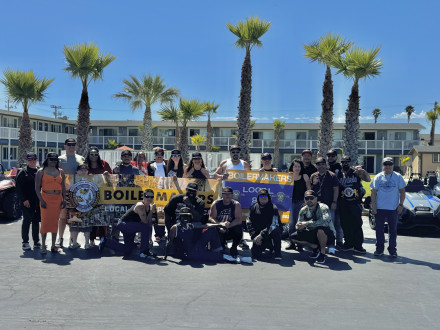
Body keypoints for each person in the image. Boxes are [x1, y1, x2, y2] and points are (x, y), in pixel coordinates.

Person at [166, 207, 251, 263]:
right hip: (189, 253)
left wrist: (220, 224)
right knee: (217, 258)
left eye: (187, 216)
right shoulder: (175, 228)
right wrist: (167, 256)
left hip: (196, 248)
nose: (185, 218)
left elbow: (206, 225)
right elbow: (170, 242)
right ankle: (235, 258)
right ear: (180, 217)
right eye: (183, 216)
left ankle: (217, 250)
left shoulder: (191, 225)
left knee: (212, 229)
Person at [99, 189, 157, 258]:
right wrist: (151, 211)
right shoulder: (140, 205)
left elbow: (149, 223)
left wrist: (151, 210)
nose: (149, 199)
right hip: (124, 224)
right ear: (143, 197)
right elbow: (145, 222)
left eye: (151, 197)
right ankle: (144, 252)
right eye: (147, 196)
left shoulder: (149, 207)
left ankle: (105, 242)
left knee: (128, 249)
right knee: (145, 227)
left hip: (131, 226)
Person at [370, 157, 406, 258]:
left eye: (390, 164)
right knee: (379, 230)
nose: (388, 166)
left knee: (393, 231)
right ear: (383, 165)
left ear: (393, 165)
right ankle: (379, 249)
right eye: (386, 164)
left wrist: (401, 205)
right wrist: (373, 205)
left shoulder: (398, 177)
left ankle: (392, 250)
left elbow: (402, 191)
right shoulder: (378, 177)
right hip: (380, 208)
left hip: (393, 209)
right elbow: (373, 192)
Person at [290, 190, 336, 264]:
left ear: (316, 198)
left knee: (320, 230)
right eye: (307, 198)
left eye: (311, 198)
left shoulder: (323, 207)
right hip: (312, 232)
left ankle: (322, 253)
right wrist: (298, 227)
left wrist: (306, 224)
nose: (309, 200)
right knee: (293, 237)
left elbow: (324, 222)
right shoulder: (303, 210)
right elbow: (298, 223)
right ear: (304, 199)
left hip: (328, 234)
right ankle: (315, 247)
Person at [336, 155, 371, 254]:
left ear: (350, 163)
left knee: (357, 224)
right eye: (343, 162)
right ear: (341, 163)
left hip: (355, 203)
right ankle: (348, 244)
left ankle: (358, 246)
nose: (345, 164)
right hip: (343, 203)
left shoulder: (355, 172)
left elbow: (368, 179)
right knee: (345, 225)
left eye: (347, 162)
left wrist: (363, 172)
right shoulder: (338, 174)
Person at [35, 153, 67, 254]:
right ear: (47, 160)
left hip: (57, 199)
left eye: (55, 159)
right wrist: (41, 200)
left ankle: (53, 245)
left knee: (54, 222)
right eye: (51, 159)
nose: (53, 161)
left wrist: (64, 199)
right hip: (45, 199)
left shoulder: (61, 172)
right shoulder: (41, 171)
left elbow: (63, 187)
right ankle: (43, 246)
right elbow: (37, 188)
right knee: (44, 223)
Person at [309, 157, 340, 253]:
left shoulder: (332, 175)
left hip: (329, 205)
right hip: (316, 206)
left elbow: (336, 189)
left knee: (330, 226)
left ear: (326, 165)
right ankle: (318, 245)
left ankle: (331, 245)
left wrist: (334, 202)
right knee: (316, 225)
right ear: (316, 165)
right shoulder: (313, 176)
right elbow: (310, 191)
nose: (321, 166)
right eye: (318, 164)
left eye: (322, 164)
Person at [57, 138, 84, 247]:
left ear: (76, 146)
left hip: (77, 193)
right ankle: (60, 238)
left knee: (74, 217)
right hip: (64, 192)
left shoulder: (81, 158)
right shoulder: (59, 159)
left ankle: (73, 240)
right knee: (62, 216)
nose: (71, 146)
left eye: (73, 144)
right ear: (65, 146)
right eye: (69, 144)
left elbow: (85, 173)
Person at [85, 147, 112, 245]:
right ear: (88, 155)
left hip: (103, 195)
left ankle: (102, 239)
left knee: (103, 219)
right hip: (90, 196)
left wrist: (107, 176)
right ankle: (91, 240)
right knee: (92, 218)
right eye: (91, 154)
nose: (94, 156)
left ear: (98, 155)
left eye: (95, 154)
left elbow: (111, 178)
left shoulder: (104, 164)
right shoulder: (85, 165)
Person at [247, 188, 283, 260]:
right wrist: (254, 236)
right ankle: (263, 246)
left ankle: (277, 252)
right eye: (261, 196)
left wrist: (262, 235)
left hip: (270, 233)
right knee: (255, 254)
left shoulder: (274, 208)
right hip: (258, 235)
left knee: (276, 230)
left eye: (265, 196)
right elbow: (249, 222)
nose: (263, 197)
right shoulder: (253, 207)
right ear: (258, 198)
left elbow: (274, 224)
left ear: (268, 198)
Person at [208, 187, 243, 258]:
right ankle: (220, 246)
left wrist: (228, 226)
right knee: (211, 228)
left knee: (239, 228)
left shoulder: (236, 204)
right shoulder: (216, 203)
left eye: (229, 194)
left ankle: (234, 248)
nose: (227, 196)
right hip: (219, 227)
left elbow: (239, 219)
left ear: (232, 195)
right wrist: (220, 225)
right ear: (222, 195)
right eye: (225, 194)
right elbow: (211, 217)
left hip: (230, 227)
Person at [16, 152, 41, 250]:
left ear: (36, 160)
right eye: (30, 160)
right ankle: (25, 242)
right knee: (26, 221)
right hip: (27, 202)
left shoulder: (39, 171)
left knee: (36, 222)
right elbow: (18, 188)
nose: (32, 161)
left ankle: (36, 241)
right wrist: (24, 200)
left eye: (34, 159)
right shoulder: (23, 172)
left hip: (37, 201)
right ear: (27, 161)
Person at [68, 164, 93, 249]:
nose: (83, 172)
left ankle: (87, 243)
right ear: (77, 171)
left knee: (87, 225)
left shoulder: (91, 179)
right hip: (74, 205)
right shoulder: (72, 178)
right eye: (81, 170)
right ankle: (74, 243)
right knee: (74, 225)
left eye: (85, 170)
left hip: (87, 205)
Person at [147, 148, 168, 240]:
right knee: (155, 213)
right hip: (154, 192)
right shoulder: (150, 165)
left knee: (163, 213)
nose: (159, 155)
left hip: (166, 192)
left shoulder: (167, 165)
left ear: (163, 155)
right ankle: (158, 235)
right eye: (157, 154)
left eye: (161, 154)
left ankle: (163, 233)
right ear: (154, 155)